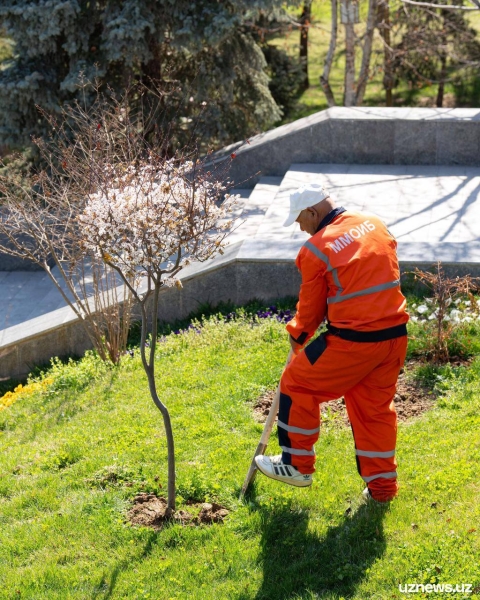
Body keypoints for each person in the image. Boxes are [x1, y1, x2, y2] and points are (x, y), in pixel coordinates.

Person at [254, 183, 409, 503]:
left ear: (313, 212)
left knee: (296, 383)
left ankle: (296, 465)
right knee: (374, 411)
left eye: (299, 220)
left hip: (354, 342)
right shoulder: (374, 223)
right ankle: (382, 490)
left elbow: (311, 308)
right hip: (394, 336)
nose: (300, 228)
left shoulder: (315, 249)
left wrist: (298, 334)